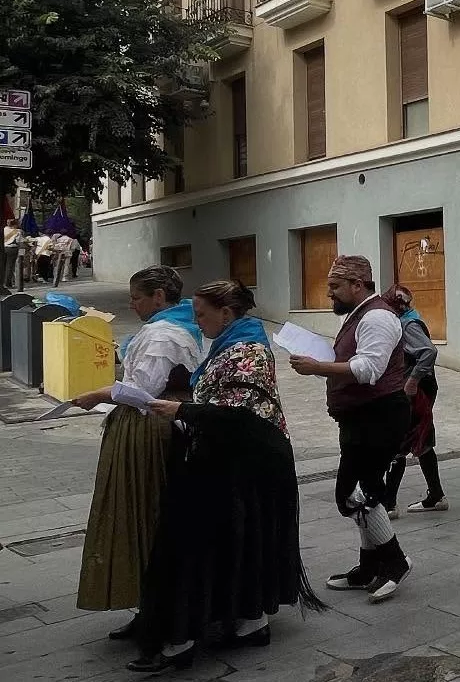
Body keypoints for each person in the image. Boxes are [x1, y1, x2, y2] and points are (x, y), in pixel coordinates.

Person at [134, 280, 323, 672]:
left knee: (208, 541)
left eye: (202, 314)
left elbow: (236, 414)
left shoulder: (248, 349)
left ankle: (191, 634)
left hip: (249, 462)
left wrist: (180, 410)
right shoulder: (231, 343)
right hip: (235, 458)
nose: (197, 322)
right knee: (239, 541)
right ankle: (247, 622)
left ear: (226, 312)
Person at [70, 266, 203, 640]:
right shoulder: (172, 329)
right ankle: (149, 605)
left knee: (143, 512)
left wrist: (97, 394)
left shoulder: (164, 334)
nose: (131, 304)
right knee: (144, 514)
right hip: (149, 425)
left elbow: (143, 390)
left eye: (136, 297)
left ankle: (158, 609)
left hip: (149, 429)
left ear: (159, 296)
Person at [291, 255, 413, 602]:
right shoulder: (361, 315)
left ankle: (395, 562)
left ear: (358, 285)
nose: (329, 294)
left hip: (379, 416)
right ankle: (369, 566)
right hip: (362, 417)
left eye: (335, 287)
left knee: (359, 492)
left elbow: (369, 369)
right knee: (358, 492)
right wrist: (321, 365)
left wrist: (320, 366)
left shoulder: (376, 316)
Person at [381, 285, 445, 519]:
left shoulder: (408, 325)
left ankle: (388, 504)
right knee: (422, 438)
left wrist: (412, 381)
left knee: (401, 441)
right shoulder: (408, 320)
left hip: (416, 391)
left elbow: (429, 351)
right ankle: (436, 496)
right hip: (419, 389)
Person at [2, 219, 20, 289]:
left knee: (2, 266)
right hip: (12, 249)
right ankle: (7, 283)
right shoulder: (17, 231)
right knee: (10, 266)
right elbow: (18, 241)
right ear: (15, 224)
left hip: (3, 248)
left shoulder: (4, 229)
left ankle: (2, 282)